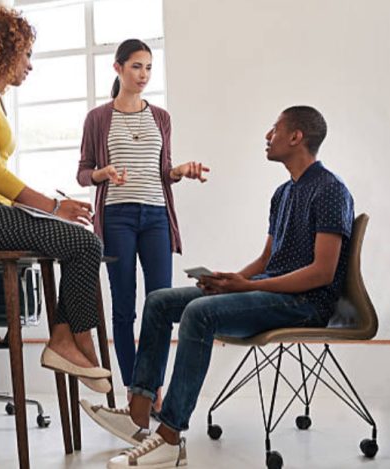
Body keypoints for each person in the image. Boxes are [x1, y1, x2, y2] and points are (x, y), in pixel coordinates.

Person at [80, 105, 354, 468]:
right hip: (268, 291)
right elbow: (267, 259)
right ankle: (139, 413)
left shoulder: (331, 190)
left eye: (274, 129)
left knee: (199, 313)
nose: (267, 136)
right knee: (159, 301)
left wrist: (247, 286)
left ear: (295, 137)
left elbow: (322, 273)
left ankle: (170, 436)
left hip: (304, 303)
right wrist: (230, 282)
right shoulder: (283, 193)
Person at [0, 4, 111, 392]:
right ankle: (73, 340)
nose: (30, 65)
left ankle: (66, 338)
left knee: (82, 244)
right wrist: (54, 207)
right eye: (26, 54)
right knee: (85, 244)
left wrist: (45, 211)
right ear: (4, 49)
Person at [77, 39, 209, 406]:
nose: (144, 74)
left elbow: (163, 171)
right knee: (124, 308)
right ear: (118, 68)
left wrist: (179, 171)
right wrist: (102, 173)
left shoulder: (161, 118)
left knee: (161, 305)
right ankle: (134, 390)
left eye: (149, 67)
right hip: (116, 217)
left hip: (156, 218)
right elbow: (83, 173)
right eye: (136, 66)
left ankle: (154, 390)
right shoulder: (98, 118)